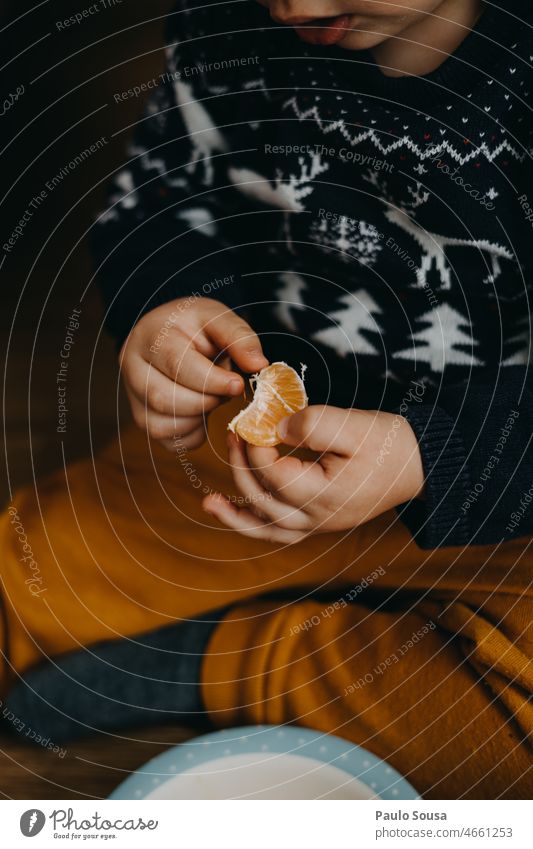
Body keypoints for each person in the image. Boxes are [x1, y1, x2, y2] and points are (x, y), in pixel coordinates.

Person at [2, 0, 533, 798]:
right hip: (269, 458)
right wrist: (168, 305)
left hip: (510, 512)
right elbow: (166, 196)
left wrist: (440, 450)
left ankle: (237, 661)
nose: (299, 5)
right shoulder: (231, 28)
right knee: (37, 568)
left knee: (496, 752)